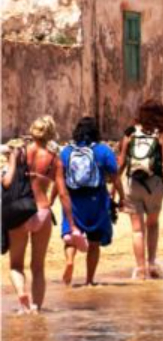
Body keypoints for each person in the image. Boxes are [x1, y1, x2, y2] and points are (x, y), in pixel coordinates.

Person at [2, 116, 77, 314]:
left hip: (19, 211)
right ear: (50, 134)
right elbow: (62, 193)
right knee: (38, 267)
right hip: (42, 212)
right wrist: (71, 222)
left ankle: (21, 294)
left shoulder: (17, 153)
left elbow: (8, 182)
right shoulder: (55, 159)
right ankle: (36, 308)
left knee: (16, 265)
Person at [59, 117, 123, 286]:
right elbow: (115, 177)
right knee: (94, 242)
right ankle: (89, 280)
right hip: (97, 201)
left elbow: (58, 179)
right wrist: (122, 197)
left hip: (73, 201)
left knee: (72, 237)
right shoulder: (103, 151)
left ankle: (70, 261)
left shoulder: (66, 152)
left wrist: (51, 199)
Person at [118, 100, 163, 280]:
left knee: (137, 230)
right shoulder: (162, 135)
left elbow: (120, 163)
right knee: (152, 224)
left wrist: (114, 190)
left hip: (133, 184)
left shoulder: (130, 133)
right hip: (154, 185)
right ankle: (151, 263)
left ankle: (140, 268)